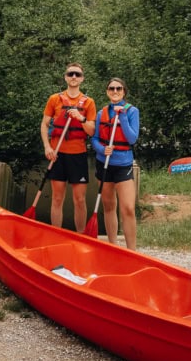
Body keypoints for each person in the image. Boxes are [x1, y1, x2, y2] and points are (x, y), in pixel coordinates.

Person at [40, 64, 96, 232]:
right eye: (70, 74)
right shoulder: (54, 99)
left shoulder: (88, 102)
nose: (73, 77)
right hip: (57, 154)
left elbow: (92, 131)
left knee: (79, 199)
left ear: (82, 78)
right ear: (65, 77)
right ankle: (56, 234)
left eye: (77, 74)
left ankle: (80, 236)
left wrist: (81, 118)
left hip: (77, 155)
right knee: (57, 198)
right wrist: (47, 147)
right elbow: (44, 125)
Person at [91, 77, 139, 250]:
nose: (115, 91)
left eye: (119, 88)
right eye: (111, 88)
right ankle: (112, 246)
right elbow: (94, 139)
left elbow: (132, 138)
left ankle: (132, 250)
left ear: (124, 91)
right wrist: (102, 149)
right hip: (104, 163)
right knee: (109, 205)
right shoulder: (101, 113)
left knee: (127, 208)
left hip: (123, 164)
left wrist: (123, 117)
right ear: (107, 91)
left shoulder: (132, 111)